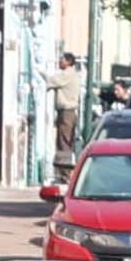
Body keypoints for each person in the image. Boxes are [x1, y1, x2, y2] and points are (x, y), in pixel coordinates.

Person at [45, 52, 80, 182]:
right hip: (65, 112)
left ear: (69, 62)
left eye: (62, 60)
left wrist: (40, 73)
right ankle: (63, 173)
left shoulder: (68, 74)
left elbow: (52, 81)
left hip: (67, 112)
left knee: (64, 142)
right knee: (62, 141)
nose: (60, 62)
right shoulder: (70, 74)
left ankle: (65, 174)